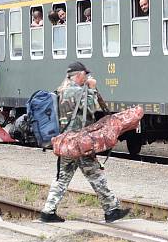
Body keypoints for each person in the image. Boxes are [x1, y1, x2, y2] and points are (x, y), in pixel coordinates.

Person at [40, 61, 130, 223]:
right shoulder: (75, 91)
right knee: (96, 176)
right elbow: (90, 107)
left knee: (63, 178)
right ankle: (111, 210)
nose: (87, 77)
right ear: (78, 75)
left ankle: (48, 211)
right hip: (79, 143)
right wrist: (92, 89)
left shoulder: (62, 89)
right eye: (85, 74)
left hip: (68, 142)